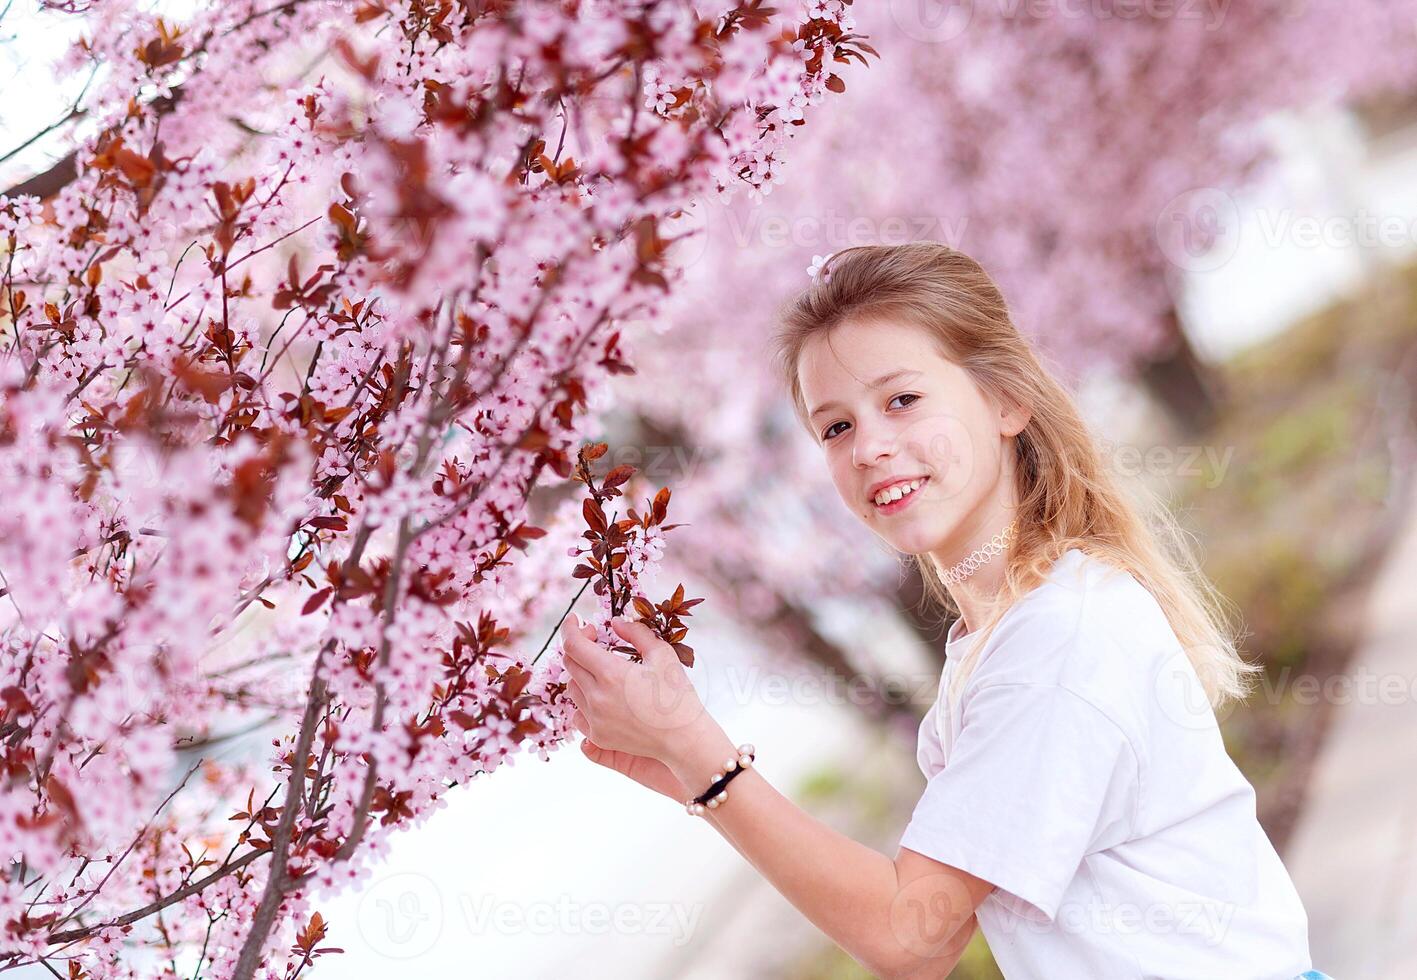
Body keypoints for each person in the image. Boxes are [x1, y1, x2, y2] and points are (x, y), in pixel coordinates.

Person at [558, 242, 1326, 979]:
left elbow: (913, 937)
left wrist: (700, 753)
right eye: (836, 426)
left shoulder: (1055, 640)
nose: (869, 448)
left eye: (902, 400)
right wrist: (697, 774)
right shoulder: (1000, 634)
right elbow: (936, 926)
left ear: (1004, 400)